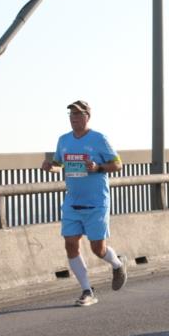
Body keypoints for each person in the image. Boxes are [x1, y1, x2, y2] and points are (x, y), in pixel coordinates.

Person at [41, 100, 128, 306]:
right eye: (71, 114)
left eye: (78, 114)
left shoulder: (99, 139)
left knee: (98, 249)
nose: (74, 118)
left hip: (96, 203)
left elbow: (118, 164)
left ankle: (117, 264)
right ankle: (87, 290)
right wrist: (50, 167)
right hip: (72, 202)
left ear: (88, 116)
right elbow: (59, 165)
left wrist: (98, 167)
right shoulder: (63, 140)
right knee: (70, 244)